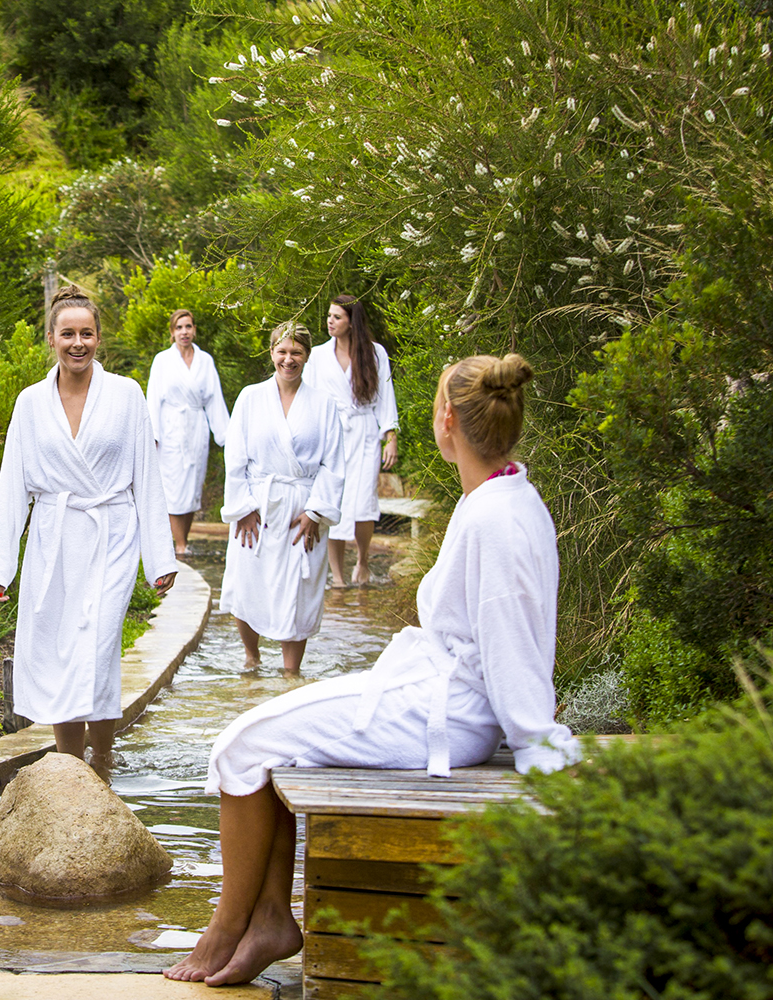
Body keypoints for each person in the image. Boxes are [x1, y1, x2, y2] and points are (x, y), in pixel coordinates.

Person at [165, 354, 583, 987]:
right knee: (263, 739)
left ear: (446, 421)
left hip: (450, 715)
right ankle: (271, 915)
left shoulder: (497, 517)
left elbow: (511, 638)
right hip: (434, 691)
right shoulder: (504, 495)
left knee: (239, 746)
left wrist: (534, 738)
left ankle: (231, 924)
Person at [0, 286, 180, 772]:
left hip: (111, 533)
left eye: (87, 333)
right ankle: (69, 765)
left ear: (99, 338)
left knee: (98, 644)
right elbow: (12, 486)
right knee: (61, 646)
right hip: (54, 536)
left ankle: (103, 754)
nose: (78, 343)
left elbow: (146, 476)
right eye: (68, 333)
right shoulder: (29, 403)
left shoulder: (127, 394)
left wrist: (160, 556)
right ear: (51, 338)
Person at [217, 321, 345, 676]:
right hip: (258, 504)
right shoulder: (250, 397)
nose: (289, 360)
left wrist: (315, 512)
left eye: (297, 353)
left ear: (306, 356)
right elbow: (235, 457)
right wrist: (242, 508)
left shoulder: (323, 404)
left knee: (299, 589)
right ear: (271, 352)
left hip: (302, 507)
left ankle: (291, 673)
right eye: (282, 351)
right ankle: (252, 657)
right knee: (247, 582)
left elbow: (333, 464)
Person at [309, 294, 399, 587]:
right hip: (331, 436)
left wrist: (390, 436)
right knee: (334, 501)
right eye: (329, 316)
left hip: (364, 434)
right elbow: (308, 398)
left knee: (363, 503)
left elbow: (385, 397)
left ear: (351, 322)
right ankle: (337, 576)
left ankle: (362, 561)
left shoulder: (374, 354)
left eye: (337, 317)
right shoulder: (319, 355)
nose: (330, 321)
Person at [147, 309, 230, 556]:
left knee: (193, 487)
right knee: (173, 487)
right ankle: (180, 545)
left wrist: (226, 436)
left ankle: (184, 540)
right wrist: (154, 435)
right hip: (171, 429)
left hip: (196, 429)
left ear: (194, 330)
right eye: (179, 327)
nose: (185, 331)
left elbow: (214, 399)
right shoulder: (162, 360)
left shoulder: (205, 360)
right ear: (172, 332)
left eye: (189, 326)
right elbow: (153, 399)